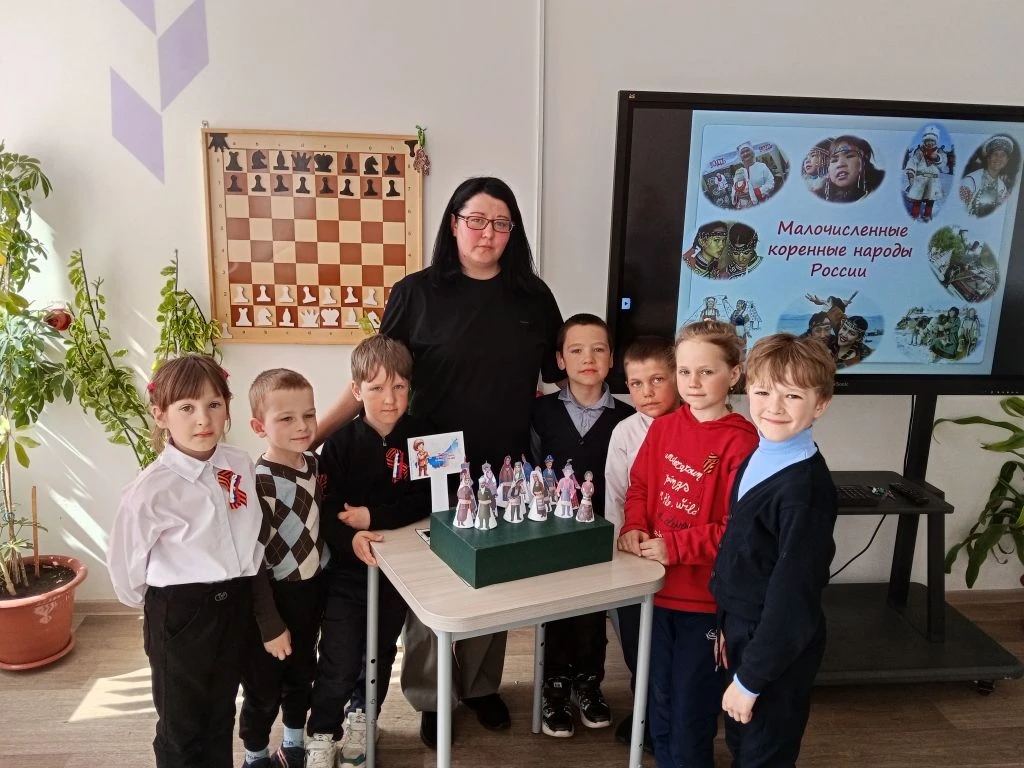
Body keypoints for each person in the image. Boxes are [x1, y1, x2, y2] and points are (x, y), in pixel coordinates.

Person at [315, 176, 563, 747]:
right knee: (435, 584)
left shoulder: (533, 297)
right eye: (475, 220)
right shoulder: (416, 293)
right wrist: (314, 436)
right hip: (428, 465)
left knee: (493, 581)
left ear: (513, 232)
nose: (487, 233)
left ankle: (478, 686)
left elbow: (559, 378)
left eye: (501, 223)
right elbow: (375, 377)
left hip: (503, 469)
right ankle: (431, 695)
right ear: (453, 224)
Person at [108, 355, 268, 768]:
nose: (203, 419)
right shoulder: (151, 490)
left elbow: (250, 533)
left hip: (234, 603)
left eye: (214, 404)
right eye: (187, 408)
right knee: (181, 724)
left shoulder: (238, 463)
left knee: (220, 712)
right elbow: (126, 569)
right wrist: (165, 606)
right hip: (180, 613)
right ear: (160, 415)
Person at [620, 321, 759, 768]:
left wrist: (676, 548)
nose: (693, 383)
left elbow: (740, 529)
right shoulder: (662, 429)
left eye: (706, 371)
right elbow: (640, 487)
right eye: (684, 372)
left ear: (733, 375)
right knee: (657, 697)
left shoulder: (743, 442)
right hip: (655, 592)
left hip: (705, 601)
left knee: (691, 707)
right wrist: (633, 526)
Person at [710, 333, 838, 768]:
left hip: (776, 646)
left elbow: (793, 599)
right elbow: (741, 551)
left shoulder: (804, 492)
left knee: (764, 753)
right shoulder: (759, 454)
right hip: (744, 629)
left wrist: (751, 679)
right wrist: (726, 622)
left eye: (793, 395)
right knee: (742, 743)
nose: (774, 407)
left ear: (820, 404)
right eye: (763, 392)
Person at [305, 335, 432, 768]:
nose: (389, 399)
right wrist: (352, 538)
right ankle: (322, 732)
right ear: (357, 391)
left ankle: (363, 717)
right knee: (338, 657)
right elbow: (327, 512)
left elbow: (426, 501)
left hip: (397, 574)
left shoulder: (423, 439)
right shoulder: (339, 444)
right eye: (376, 388)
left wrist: (372, 516)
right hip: (347, 573)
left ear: (410, 388)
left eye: (399, 387)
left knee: (379, 652)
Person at [530, 313, 634, 737]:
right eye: (576, 350)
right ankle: (554, 686)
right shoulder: (539, 412)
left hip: (603, 536)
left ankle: (588, 683)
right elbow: (528, 471)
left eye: (598, 349)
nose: (587, 358)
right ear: (560, 359)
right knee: (556, 610)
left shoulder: (628, 418)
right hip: (552, 534)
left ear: (611, 358)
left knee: (592, 611)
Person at [240, 369, 330, 768]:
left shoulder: (312, 464)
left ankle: (293, 743)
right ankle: (255, 755)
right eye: (287, 418)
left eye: (308, 415)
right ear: (259, 427)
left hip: (309, 594)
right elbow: (253, 562)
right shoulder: (260, 483)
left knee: (301, 674)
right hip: (273, 602)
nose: (302, 426)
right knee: (262, 687)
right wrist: (269, 624)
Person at [603, 335, 680, 750]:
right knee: (639, 645)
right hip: (636, 558)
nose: (647, 392)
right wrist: (622, 546)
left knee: (678, 647)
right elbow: (616, 496)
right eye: (636, 383)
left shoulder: (697, 428)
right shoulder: (625, 432)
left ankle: (677, 716)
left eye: (657, 380)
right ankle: (645, 712)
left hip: (684, 560)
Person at [816, 135, 885, 203]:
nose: (840, 164)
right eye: (834, 160)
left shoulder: (881, 190)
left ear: (865, 159)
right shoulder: (820, 196)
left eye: (849, 156)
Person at [960, 134, 1016, 217]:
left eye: (1003, 155)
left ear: (1007, 160)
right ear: (988, 157)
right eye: (995, 154)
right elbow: (959, 212)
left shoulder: (1003, 188)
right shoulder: (970, 181)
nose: (998, 158)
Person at [904, 126, 948, 222]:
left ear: (936, 141)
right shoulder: (920, 151)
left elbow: (943, 164)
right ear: (924, 141)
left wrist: (937, 158)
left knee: (930, 200)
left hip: (933, 181)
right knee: (917, 199)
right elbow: (913, 162)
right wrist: (911, 175)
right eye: (927, 140)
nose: (929, 143)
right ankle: (914, 215)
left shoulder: (940, 152)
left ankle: (927, 215)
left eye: (932, 141)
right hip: (920, 179)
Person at [732, 142, 776, 206]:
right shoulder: (739, 172)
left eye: (747, 150)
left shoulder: (761, 166)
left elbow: (771, 183)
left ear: (752, 152)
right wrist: (738, 195)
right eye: (742, 152)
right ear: (740, 156)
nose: (745, 153)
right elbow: (734, 189)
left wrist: (754, 194)